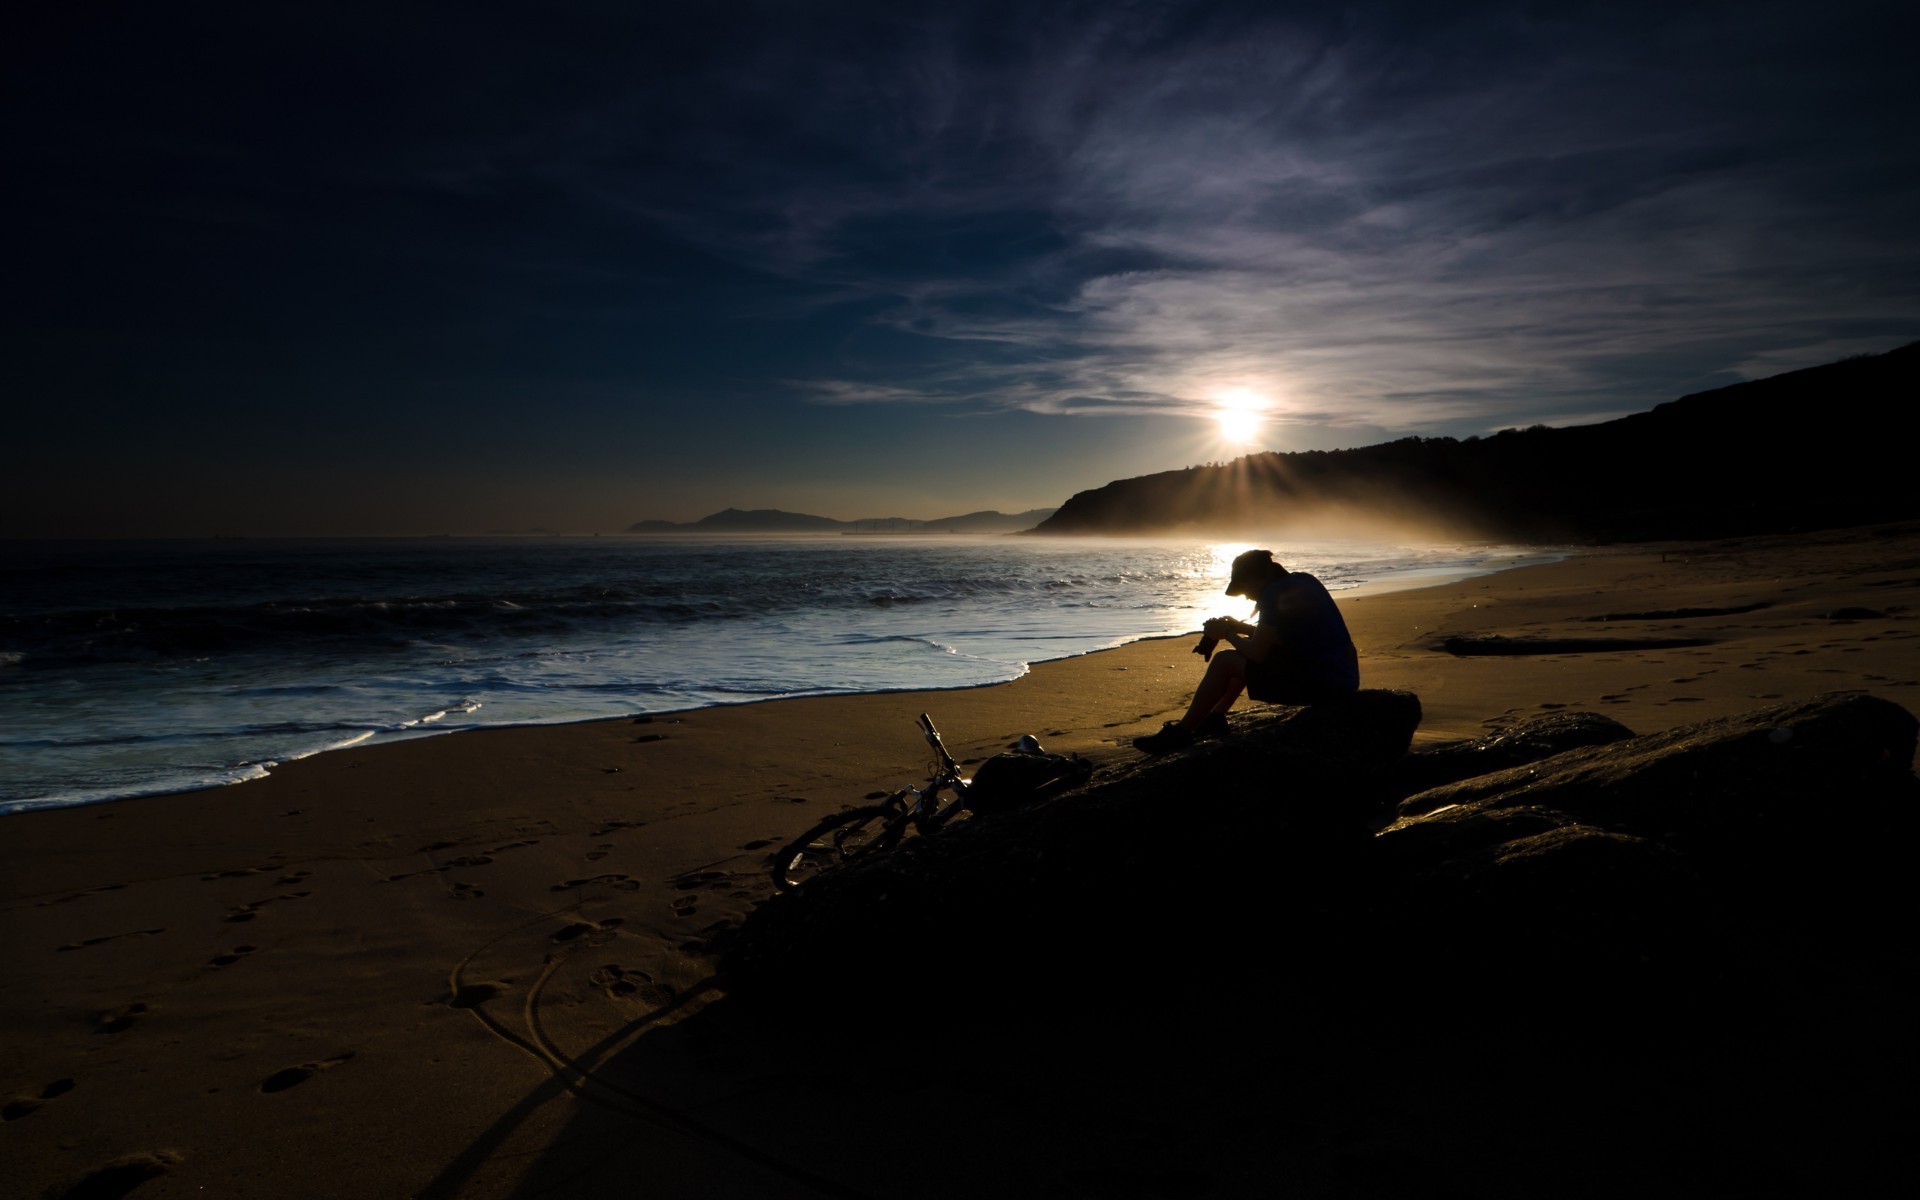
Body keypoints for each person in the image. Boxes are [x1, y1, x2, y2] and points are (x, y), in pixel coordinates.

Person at [1133, 549, 1360, 753]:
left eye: (1244, 589)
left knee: (1225, 661)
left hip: (1320, 685)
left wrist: (1227, 635)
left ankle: (1181, 733)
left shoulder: (1273, 596)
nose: (1246, 596)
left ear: (1257, 579)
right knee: (1242, 656)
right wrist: (1239, 628)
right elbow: (1282, 637)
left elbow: (1257, 654)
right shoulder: (1303, 581)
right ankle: (1216, 718)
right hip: (1343, 677)